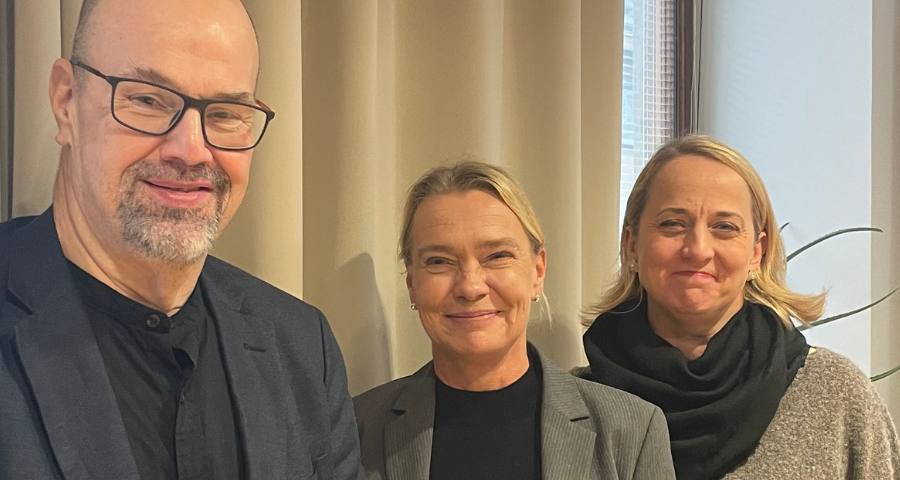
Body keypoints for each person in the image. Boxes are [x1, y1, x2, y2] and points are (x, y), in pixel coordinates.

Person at [0, 0, 363, 478]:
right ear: (66, 102)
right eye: (148, 100)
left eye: (226, 113)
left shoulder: (301, 344)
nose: (192, 150)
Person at [579, 135, 900, 480]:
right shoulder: (572, 407)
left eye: (725, 227)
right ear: (632, 243)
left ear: (756, 253)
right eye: (672, 223)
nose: (698, 249)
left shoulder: (836, 396)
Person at [353, 161, 675, 480]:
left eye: (497, 256)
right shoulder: (357, 429)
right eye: (439, 261)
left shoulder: (631, 432)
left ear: (537, 272)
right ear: (412, 284)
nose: (470, 287)